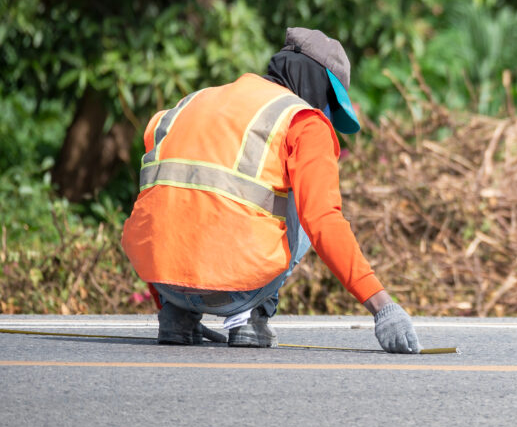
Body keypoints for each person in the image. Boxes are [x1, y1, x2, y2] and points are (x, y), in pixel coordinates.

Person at [121, 27, 422, 353]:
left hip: (164, 281)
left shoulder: (189, 104)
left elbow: (155, 208)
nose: (327, 114)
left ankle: (179, 317)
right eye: (330, 103)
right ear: (317, 83)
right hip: (234, 291)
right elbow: (323, 221)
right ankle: (252, 317)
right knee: (306, 201)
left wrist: (166, 301)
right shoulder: (302, 120)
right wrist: (383, 307)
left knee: (173, 193)